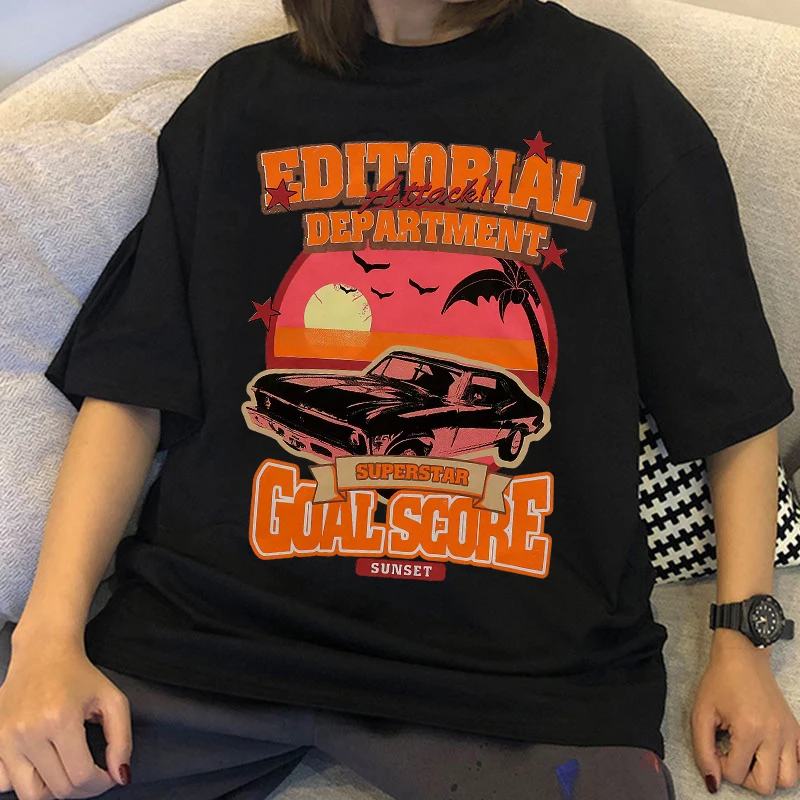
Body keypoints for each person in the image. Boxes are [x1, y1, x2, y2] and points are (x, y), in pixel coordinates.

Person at [0, 0, 797, 797]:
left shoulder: (613, 95)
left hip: (528, 683)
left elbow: (730, 398)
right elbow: (130, 387)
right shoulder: (236, 102)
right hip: (206, 641)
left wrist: (742, 644)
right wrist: (46, 638)